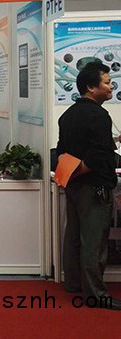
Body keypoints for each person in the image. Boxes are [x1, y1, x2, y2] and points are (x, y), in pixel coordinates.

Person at [56, 61, 121, 310]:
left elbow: (62, 151)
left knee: (73, 237)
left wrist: (72, 172)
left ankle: (74, 284)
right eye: (107, 82)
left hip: (74, 186)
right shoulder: (99, 116)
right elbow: (97, 156)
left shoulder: (68, 114)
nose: (111, 86)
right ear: (91, 88)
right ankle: (95, 294)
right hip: (95, 187)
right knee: (94, 242)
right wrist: (82, 169)